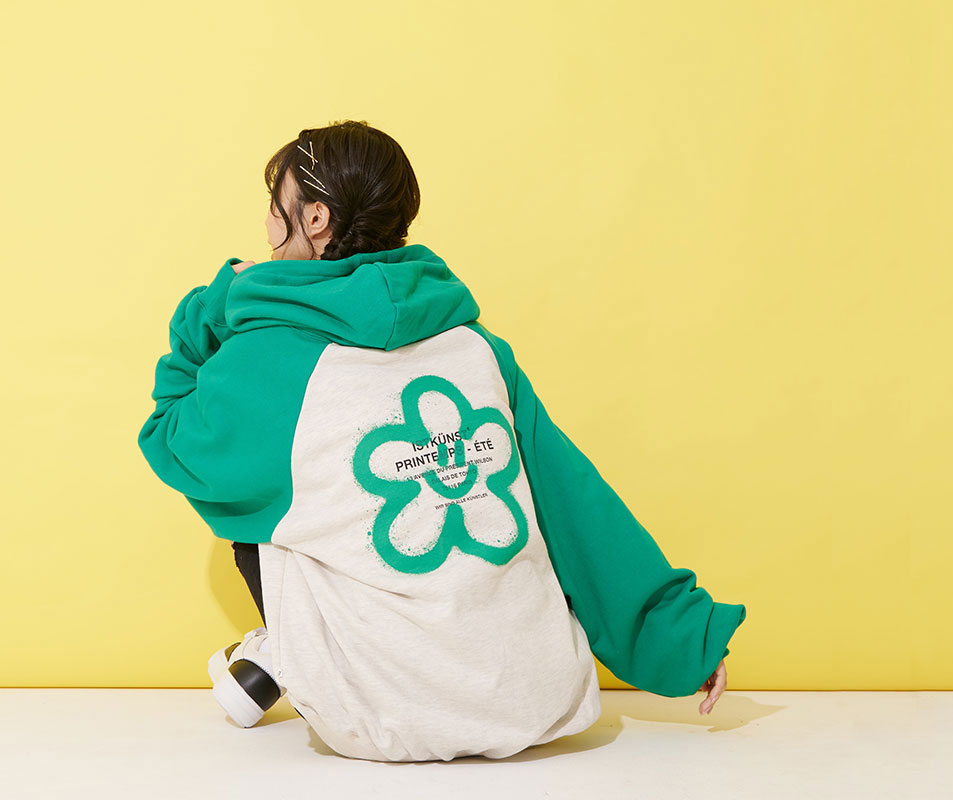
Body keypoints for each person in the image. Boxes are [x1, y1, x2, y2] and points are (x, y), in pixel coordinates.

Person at [137, 120, 747, 761]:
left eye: (274, 206)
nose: (266, 227)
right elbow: (577, 507)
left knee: (258, 510)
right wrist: (683, 639)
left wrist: (214, 305)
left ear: (314, 219)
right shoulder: (477, 347)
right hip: (537, 699)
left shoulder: (268, 361)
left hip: (382, 715)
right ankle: (282, 654)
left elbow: (170, 434)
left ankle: (284, 652)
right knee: (529, 488)